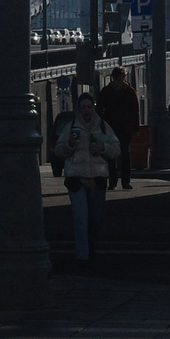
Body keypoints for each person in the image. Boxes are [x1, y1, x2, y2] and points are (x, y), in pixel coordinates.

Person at [53, 90, 120, 266]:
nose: (86, 111)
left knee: (95, 219)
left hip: (97, 179)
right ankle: (83, 257)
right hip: (76, 179)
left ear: (93, 108)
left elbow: (116, 149)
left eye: (89, 107)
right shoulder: (71, 127)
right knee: (81, 219)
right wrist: (69, 146)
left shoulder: (102, 127)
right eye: (83, 107)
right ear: (78, 109)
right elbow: (58, 150)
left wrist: (103, 147)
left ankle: (91, 244)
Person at [97, 68, 141, 190]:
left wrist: (135, 128)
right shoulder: (106, 91)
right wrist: (100, 125)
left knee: (125, 152)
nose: (119, 81)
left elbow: (135, 111)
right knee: (111, 154)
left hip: (125, 126)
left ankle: (126, 181)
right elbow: (99, 109)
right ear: (113, 78)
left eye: (121, 78)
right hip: (110, 126)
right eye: (117, 78)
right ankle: (112, 182)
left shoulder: (130, 92)